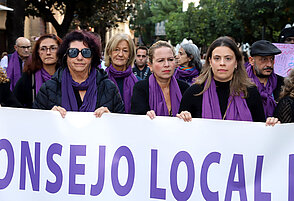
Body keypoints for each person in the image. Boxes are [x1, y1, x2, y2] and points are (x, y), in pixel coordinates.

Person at [33, 30, 124, 117]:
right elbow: (36, 124)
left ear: (93, 57)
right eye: (73, 52)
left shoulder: (108, 87)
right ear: (66, 56)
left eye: (86, 52)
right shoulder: (48, 89)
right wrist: (48, 117)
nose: (79, 57)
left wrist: (111, 117)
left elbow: (121, 125)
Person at [178, 36, 266, 122]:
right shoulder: (194, 92)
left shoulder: (251, 92)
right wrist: (183, 118)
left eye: (228, 58)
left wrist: (271, 125)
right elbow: (182, 131)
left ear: (236, 62)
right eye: (217, 58)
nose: (222, 63)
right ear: (210, 62)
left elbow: (261, 129)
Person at [131, 40, 189, 118]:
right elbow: (136, 120)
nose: (166, 64)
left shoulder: (185, 88)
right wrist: (145, 117)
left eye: (170, 60)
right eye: (161, 60)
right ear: (150, 65)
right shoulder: (141, 88)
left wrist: (187, 116)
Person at [13, 34, 62, 108]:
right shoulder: (29, 77)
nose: (48, 52)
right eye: (43, 49)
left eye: (53, 48)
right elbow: (14, 105)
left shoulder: (68, 75)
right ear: (38, 52)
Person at [247, 40, 284, 118]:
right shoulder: (242, 84)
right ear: (251, 61)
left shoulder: (283, 84)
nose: (269, 64)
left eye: (271, 59)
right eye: (264, 59)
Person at [104, 33, 138, 113]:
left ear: (130, 54)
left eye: (125, 51)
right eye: (116, 49)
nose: (120, 54)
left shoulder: (137, 82)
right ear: (109, 52)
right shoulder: (100, 80)